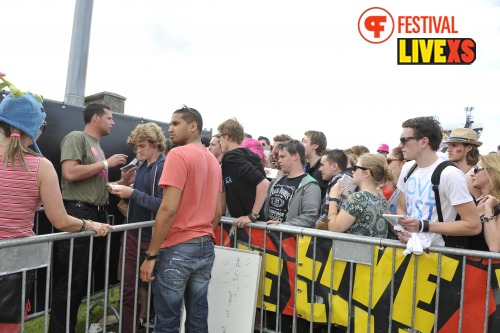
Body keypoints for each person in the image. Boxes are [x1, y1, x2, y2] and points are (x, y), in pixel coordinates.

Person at [0, 75, 112, 333]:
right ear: (36, 128)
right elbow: (60, 220)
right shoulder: (41, 166)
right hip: (14, 267)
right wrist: (90, 224)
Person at [140, 105, 223, 333]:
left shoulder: (178, 154)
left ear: (193, 126)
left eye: (176, 124)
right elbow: (218, 210)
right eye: (170, 124)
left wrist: (151, 254)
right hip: (205, 245)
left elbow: (167, 208)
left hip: (177, 248)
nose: (170, 129)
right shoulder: (213, 161)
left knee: (167, 323)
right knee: (197, 319)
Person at [49, 103, 127, 333]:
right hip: (78, 213)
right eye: (109, 117)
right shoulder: (76, 137)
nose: (113, 122)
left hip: (96, 214)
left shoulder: (98, 146)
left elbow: (94, 186)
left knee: (80, 280)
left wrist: (123, 184)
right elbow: (70, 173)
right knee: (71, 280)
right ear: (95, 118)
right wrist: (105, 163)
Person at [109, 122, 168, 332]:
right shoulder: (142, 166)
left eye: (142, 146)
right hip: (134, 234)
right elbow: (142, 195)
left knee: (162, 293)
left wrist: (132, 193)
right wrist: (124, 184)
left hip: (155, 239)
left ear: (155, 144)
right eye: (136, 146)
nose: (138, 150)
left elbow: (164, 205)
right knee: (128, 290)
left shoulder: (164, 166)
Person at [395, 116, 481, 247]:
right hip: (411, 249)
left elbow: (473, 225)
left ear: (424, 142)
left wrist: (423, 226)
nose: (400, 145)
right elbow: (401, 207)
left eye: (404, 140)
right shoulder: (408, 168)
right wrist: (405, 228)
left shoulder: (450, 174)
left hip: (439, 258)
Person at [218, 119, 269, 228]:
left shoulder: (231, 158)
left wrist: (251, 216)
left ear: (227, 137)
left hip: (246, 225)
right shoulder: (251, 155)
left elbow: (264, 184)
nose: (219, 142)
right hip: (255, 226)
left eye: (220, 137)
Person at [327, 154, 391, 238]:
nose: (352, 171)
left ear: (367, 173)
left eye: (355, 168)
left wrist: (333, 198)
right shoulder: (381, 198)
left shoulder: (357, 199)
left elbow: (333, 229)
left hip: (354, 250)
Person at [263, 139, 321, 227]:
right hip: (268, 236)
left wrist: (283, 226)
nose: (279, 161)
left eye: (282, 157)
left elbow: (310, 217)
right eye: (279, 157)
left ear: (295, 156)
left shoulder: (311, 186)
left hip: (289, 238)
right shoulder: (276, 181)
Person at [315, 149, 352, 230]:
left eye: (322, 165)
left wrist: (317, 227)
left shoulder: (339, 181)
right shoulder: (347, 179)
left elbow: (329, 212)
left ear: (334, 166)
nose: (319, 169)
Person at [469, 154, 500, 251]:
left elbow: (495, 247)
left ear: (491, 172)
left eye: (476, 169)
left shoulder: (496, 206)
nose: (471, 174)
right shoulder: (474, 201)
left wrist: (488, 209)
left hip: (488, 265)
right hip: (467, 264)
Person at [444, 127, 482, 199]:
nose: (449, 150)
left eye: (454, 145)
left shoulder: (476, 175)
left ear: (468, 148)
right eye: (449, 145)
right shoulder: (449, 171)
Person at [302, 130, 328, 199]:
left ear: (315, 146)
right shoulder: (306, 166)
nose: (301, 145)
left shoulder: (323, 169)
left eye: (305, 141)